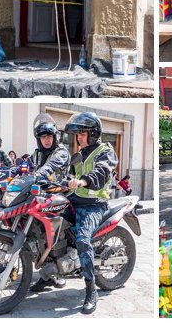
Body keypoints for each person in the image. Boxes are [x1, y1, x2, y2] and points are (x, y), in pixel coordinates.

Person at [65, 112, 118, 314]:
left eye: (82, 133)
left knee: (82, 239)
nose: (78, 137)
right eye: (77, 134)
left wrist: (83, 180)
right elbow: (68, 176)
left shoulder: (106, 152)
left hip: (94, 204)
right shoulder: (78, 154)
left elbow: (102, 171)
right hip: (73, 200)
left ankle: (90, 290)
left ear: (93, 133)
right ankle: (50, 274)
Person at [30, 113, 72, 292]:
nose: (46, 140)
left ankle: (63, 265)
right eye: (43, 137)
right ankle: (48, 272)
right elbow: (28, 166)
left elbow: (51, 166)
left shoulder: (61, 152)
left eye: (49, 136)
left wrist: (38, 174)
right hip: (43, 196)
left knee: (57, 232)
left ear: (55, 137)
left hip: (63, 197)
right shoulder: (38, 153)